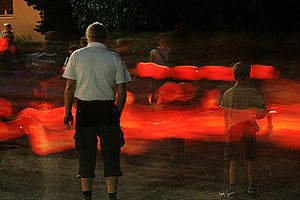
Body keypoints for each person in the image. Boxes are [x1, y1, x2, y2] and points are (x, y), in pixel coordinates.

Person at [63, 22, 131, 200]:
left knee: (86, 155)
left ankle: (87, 197)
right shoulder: (115, 58)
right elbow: (122, 90)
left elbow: (70, 87)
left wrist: (68, 111)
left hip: (85, 111)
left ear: (88, 37)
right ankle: (112, 196)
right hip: (108, 110)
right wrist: (118, 111)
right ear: (105, 38)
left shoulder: (76, 56)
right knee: (111, 154)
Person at [219, 62, 267, 197]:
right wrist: (258, 113)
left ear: (234, 76)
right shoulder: (253, 93)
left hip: (233, 129)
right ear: (248, 77)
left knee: (233, 158)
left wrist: (226, 127)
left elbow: (225, 114)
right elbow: (263, 110)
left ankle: (232, 187)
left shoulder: (228, 94)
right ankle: (251, 186)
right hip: (248, 128)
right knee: (250, 158)